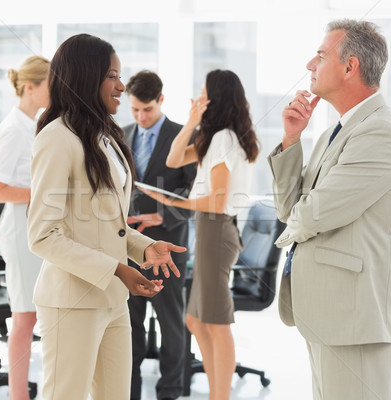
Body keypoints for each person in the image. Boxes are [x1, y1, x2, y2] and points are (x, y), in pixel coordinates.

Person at [26, 33, 186, 400]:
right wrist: (117, 269)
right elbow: (42, 236)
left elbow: (105, 223)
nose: (122, 85)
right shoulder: (56, 138)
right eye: (112, 75)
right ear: (86, 76)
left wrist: (145, 248)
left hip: (112, 299)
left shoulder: (104, 136)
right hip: (73, 301)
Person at [268, 19, 391, 400]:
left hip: (354, 320)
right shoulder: (336, 132)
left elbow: (314, 214)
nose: (309, 65)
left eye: (320, 56)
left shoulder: (380, 133)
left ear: (350, 67)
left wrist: (281, 238)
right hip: (327, 313)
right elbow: (289, 208)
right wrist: (290, 139)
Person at [139, 69, 259, 400]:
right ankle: (215, 393)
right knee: (194, 320)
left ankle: (219, 396)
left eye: (203, 93)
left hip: (216, 230)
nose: (198, 97)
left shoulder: (223, 138)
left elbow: (217, 200)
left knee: (216, 324)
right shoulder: (216, 137)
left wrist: (174, 201)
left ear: (215, 98)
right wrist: (191, 121)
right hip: (209, 230)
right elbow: (174, 157)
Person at [123, 70, 196, 400]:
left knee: (171, 324)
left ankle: (170, 392)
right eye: (135, 109)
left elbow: (197, 198)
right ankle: (131, 389)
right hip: (128, 247)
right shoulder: (120, 135)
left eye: (147, 109)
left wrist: (162, 214)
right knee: (130, 323)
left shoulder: (183, 137)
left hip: (168, 246)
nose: (141, 116)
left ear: (161, 101)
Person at [0, 55, 49, 400]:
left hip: (33, 229)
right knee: (25, 318)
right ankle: (18, 395)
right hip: (19, 232)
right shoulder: (12, 129)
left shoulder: (33, 124)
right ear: (30, 87)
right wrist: (45, 191)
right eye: (50, 87)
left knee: (34, 314)